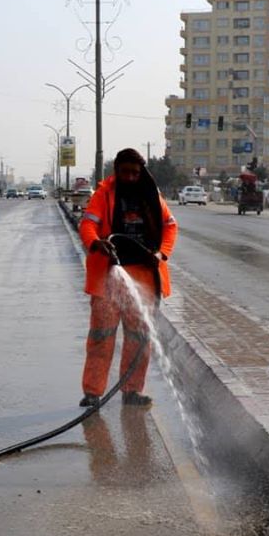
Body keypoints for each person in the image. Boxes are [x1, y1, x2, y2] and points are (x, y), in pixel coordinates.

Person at [79, 148, 178, 408]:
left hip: (144, 276)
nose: (131, 177)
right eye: (126, 172)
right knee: (101, 335)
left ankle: (132, 391)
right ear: (117, 171)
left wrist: (162, 253)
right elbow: (87, 224)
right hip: (109, 275)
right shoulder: (104, 193)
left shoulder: (151, 194)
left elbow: (170, 226)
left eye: (135, 172)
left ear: (141, 171)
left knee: (138, 337)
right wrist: (96, 243)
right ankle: (92, 393)